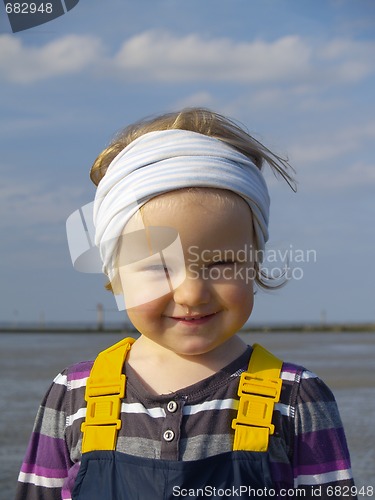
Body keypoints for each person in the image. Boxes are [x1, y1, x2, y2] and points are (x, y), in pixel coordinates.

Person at [16, 108, 357, 499]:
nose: (192, 293)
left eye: (222, 263)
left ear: (254, 263)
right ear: (115, 274)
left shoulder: (296, 398)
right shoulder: (74, 393)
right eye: (159, 267)